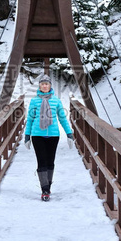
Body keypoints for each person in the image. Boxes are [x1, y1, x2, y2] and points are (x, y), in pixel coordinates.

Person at [24, 73, 74, 201]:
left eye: (46, 84)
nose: (44, 86)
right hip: (37, 135)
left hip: (53, 135)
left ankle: (48, 185)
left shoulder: (56, 101)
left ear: (50, 86)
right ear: (39, 86)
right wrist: (27, 136)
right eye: (42, 84)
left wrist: (69, 134)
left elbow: (62, 118)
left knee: (50, 162)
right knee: (42, 162)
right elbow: (29, 119)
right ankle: (44, 190)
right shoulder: (34, 101)